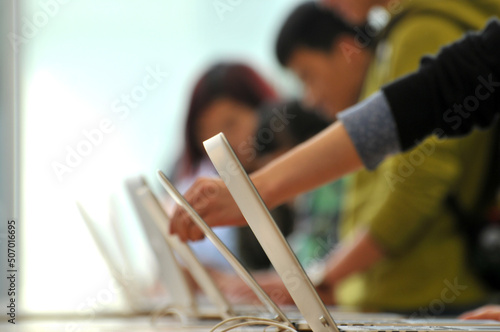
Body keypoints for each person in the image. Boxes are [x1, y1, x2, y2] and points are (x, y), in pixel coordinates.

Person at [171, 1, 499, 314]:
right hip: (389, 293)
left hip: (422, 293)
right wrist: (256, 189)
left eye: (307, 76)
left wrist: (320, 279)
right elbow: (389, 120)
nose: (325, 2)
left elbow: (416, 184)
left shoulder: (424, 29)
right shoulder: (401, 35)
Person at [167, 62, 278, 270]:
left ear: (265, 110)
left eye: (231, 123)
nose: (218, 144)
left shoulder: (294, 185)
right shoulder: (229, 190)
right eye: (205, 132)